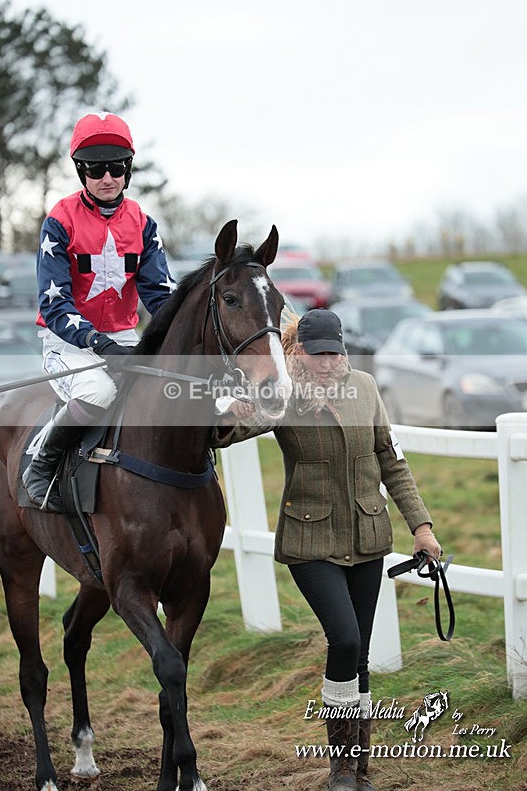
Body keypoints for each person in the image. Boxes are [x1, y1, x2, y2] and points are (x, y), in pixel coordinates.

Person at [213, 308, 441, 791]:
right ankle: (339, 767)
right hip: (310, 540)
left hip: (367, 537)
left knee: (357, 656)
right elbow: (230, 434)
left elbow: (391, 461)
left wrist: (421, 527)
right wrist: (229, 413)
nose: (326, 362)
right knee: (347, 639)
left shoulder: (365, 388)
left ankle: (359, 768)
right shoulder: (282, 393)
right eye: (316, 353)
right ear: (298, 351)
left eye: (334, 352)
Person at [22, 111, 175, 512]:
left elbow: (159, 296)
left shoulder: (143, 224)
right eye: (95, 169)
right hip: (69, 341)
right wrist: (96, 342)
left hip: (124, 338)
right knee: (98, 391)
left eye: (116, 167)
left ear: (128, 168)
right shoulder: (59, 220)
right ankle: (42, 465)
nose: (107, 178)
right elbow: (54, 305)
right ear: (80, 171)